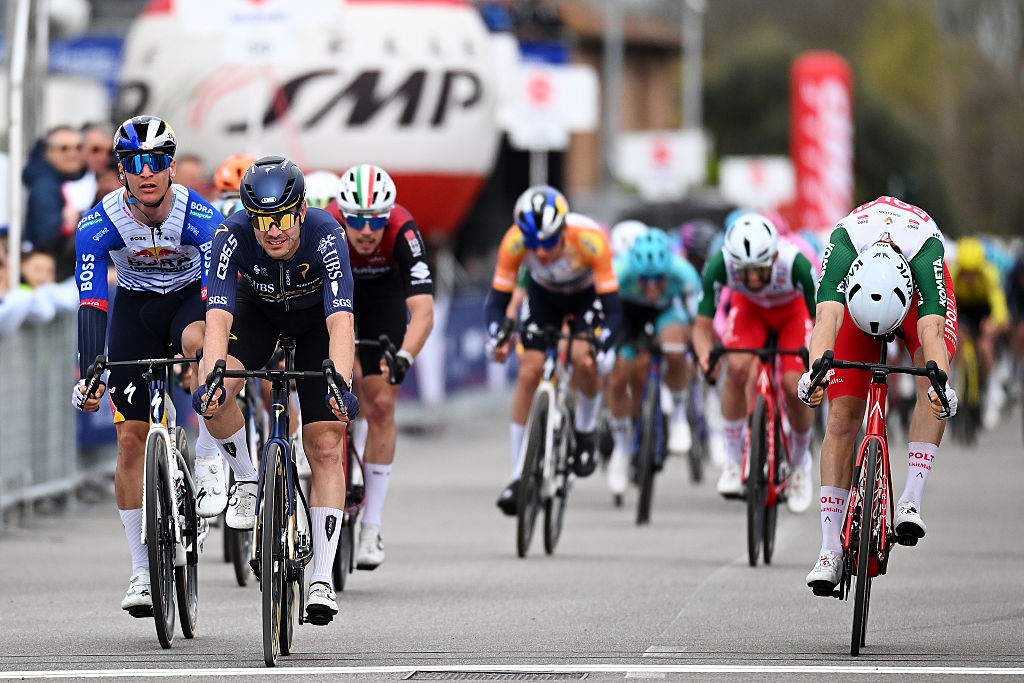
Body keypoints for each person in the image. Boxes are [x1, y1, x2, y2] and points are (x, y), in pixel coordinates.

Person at [70, 115, 230, 617]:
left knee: (200, 343)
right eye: (135, 163)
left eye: (156, 162)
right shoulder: (99, 223)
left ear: (172, 168)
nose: (146, 172)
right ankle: (141, 570)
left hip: (188, 303)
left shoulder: (200, 217)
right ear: (121, 172)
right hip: (135, 311)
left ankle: (206, 454)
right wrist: (90, 375)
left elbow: (214, 298)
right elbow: (92, 305)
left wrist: (199, 360)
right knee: (129, 439)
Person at [193, 155, 360, 624]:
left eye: (284, 218)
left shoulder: (327, 234)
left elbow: (341, 320)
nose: (273, 231)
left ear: (301, 211)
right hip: (258, 315)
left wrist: (340, 384)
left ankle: (322, 579)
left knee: (325, 445)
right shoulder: (232, 233)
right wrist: (211, 378)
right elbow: (219, 317)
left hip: (314, 326)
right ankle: (247, 476)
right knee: (218, 394)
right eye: (263, 220)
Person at [799, 196, 958, 594]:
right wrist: (814, 374)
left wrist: (941, 384)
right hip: (858, 302)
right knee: (840, 420)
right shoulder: (844, 243)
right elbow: (826, 320)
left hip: (917, 301)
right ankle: (829, 549)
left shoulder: (926, 248)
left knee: (930, 386)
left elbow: (933, 333)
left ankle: (910, 500)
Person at [486, 185, 621, 515]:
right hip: (543, 296)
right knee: (529, 371)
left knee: (582, 359)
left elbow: (613, 308)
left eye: (548, 242)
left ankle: (586, 431)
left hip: (586, 297)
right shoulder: (514, 242)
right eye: (534, 244)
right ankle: (519, 474)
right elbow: (498, 301)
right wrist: (496, 336)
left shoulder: (590, 240)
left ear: (562, 230)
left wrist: (604, 344)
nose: (541, 252)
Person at [333, 163, 434, 570]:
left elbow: (423, 312)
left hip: (383, 301)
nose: (366, 229)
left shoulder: (403, 230)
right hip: (339, 299)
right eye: (357, 219)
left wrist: (405, 356)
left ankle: (371, 524)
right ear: (343, 214)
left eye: (375, 219)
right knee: (335, 382)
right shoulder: (330, 227)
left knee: (380, 405)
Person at [692, 213, 818, 513]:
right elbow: (700, 327)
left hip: (793, 312)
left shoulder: (796, 264)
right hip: (749, 310)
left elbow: (821, 320)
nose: (751, 279)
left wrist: (814, 362)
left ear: (774, 256)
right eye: (743, 271)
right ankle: (735, 461)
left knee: (793, 385)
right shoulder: (718, 265)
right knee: (735, 368)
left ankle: (800, 463)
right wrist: (705, 356)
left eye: (759, 270)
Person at [605, 227, 701, 497]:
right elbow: (605, 316)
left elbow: (695, 320)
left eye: (657, 279)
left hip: (666, 312)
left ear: (667, 272)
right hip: (627, 314)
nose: (650, 286)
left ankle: (679, 414)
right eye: (644, 279)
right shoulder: (618, 273)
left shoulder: (683, 273)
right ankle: (621, 449)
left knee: (675, 347)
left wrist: (694, 349)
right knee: (617, 378)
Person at [949, 237, 1008, 382]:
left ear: (980, 268)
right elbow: (945, 304)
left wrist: (994, 323)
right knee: (956, 342)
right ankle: (954, 380)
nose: (969, 278)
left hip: (983, 311)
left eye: (973, 272)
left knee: (985, 346)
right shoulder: (952, 274)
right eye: (965, 273)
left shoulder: (990, 274)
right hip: (962, 310)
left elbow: (999, 305)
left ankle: (991, 384)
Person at [22, 126, 85, 255]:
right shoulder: (44, 186)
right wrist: (69, 227)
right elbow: (47, 239)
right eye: (64, 148)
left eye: (78, 147)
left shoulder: (70, 180)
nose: (73, 154)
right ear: (47, 152)